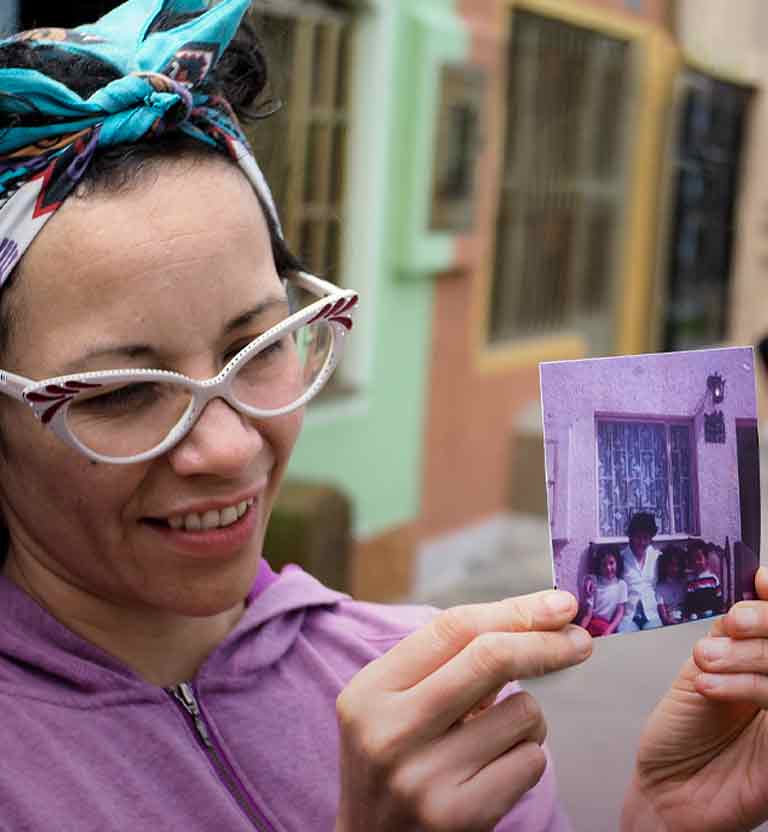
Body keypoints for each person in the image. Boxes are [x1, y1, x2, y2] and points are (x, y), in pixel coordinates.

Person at [4, 3, 768, 831]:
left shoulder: (440, 695)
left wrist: (658, 821)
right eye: (119, 391)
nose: (228, 448)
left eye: (261, 345)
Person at [618, 512, 664, 632]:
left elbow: (677, 569)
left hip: (651, 614)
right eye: (638, 537)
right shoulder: (621, 558)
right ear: (631, 536)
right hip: (629, 616)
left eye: (646, 538)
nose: (642, 542)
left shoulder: (657, 556)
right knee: (625, 637)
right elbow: (604, 573)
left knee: (654, 640)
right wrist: (590, 580)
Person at [579, 548, 628, 637]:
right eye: (604, 565)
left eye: (611, 563)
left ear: (618, 562)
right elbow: (588, 614)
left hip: (607, 626)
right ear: (599, 567)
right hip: (594, 623)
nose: (608, 568)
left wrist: (608, 630)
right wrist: (579, 633)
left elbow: (620, 612)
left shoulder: (621, 585)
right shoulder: (594, 583)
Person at [684, 540, 724, 621]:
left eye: (699, 558)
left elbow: (718, 597)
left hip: (711, 612)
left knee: (708, 614)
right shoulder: (691, 580)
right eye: (693, 559)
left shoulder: (712, 578)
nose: (696, 562)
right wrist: (689, 614)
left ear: (706, 559)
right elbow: (690, 600)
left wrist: (720, 611)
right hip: (696, 614)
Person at [655, 546, 687, 626]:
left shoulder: (684, 584)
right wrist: (668, 620)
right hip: (669, 624)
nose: (675, 569)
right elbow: (663, 615)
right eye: (671, 565)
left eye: (677, 565)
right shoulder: (660, 588)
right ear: (665, 565)